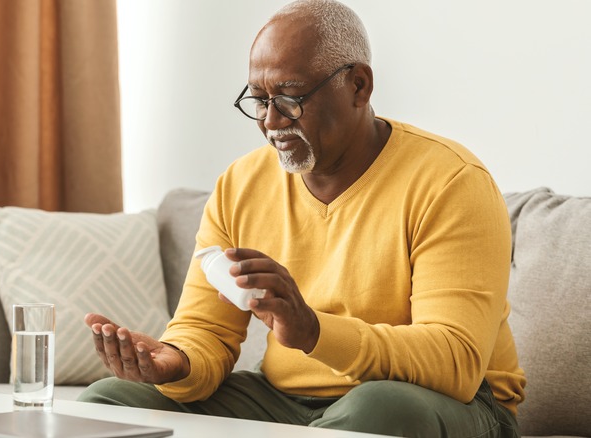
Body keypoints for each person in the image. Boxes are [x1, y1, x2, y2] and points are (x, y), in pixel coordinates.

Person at [78, 0, 526, 436]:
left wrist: (313, 330)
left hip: (446, 402)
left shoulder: (450, 181)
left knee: (379, 408)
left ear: (358, 86)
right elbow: (206, 329)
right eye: (259, 100)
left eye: (290, 98)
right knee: (110, 401)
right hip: (284, 399)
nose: (271, 121)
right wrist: (173, 361)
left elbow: (455, 363)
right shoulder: (241, 183)